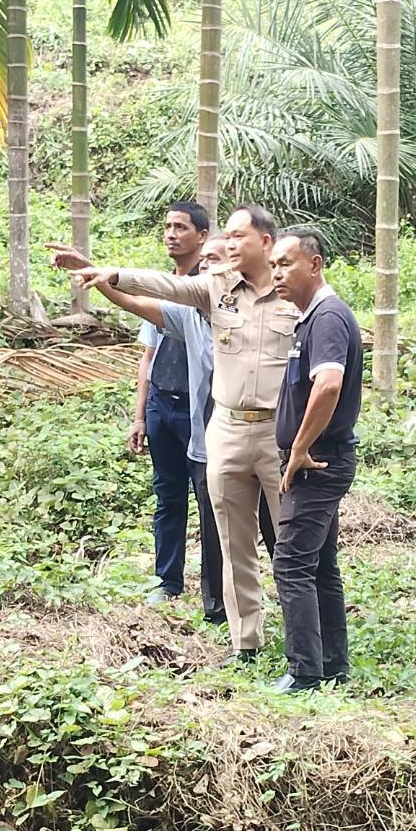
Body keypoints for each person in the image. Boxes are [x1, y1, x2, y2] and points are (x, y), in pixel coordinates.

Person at [65, 205, 296, 665]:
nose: (228, 247)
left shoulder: (293, 294)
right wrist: (110, 274)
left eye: (237, 237)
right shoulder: (214, 292)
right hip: (223, 427)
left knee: (288, 539)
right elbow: (160, 289)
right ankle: (245, 642)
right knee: (231, 542)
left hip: (277, 433)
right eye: (226, 238)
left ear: (266, 242)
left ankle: (304, 636)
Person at [267, 229, 364, 692]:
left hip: (319, 461)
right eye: (273, 265)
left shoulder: (327, 317)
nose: (277, 273)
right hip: (318, 457)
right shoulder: (310, 317)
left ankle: (304, 671)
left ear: (315, 264)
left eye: (286, 263)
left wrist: (300, 449)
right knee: (320, 563)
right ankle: (332, 663)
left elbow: (328, 385)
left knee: (291, 563)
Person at [126, 203, 208, 604]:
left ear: (202, 236)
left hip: (200, 408)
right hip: (162, 402)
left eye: (181, 227)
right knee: (168, 494)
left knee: (209, 497)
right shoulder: (161, 286)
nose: (171, 234)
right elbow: (148, 354)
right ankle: (167, 581)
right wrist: (140, 415)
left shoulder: (209, 288)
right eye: (167, 227)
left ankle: (216, 587)